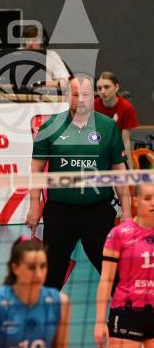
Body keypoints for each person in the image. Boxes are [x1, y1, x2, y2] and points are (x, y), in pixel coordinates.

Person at [26, 74, 132, 290]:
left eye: (85, 95)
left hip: (98, 212)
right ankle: (47, 309)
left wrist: (127, 212)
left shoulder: (108, 127)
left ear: (92, 96)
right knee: (51, 275)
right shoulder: (50, 127)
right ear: (67, 96)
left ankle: (125, 310)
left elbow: (119, 173)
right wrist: (34, 205)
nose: (81, 100)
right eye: (75, 95)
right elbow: (36, 171)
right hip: (60, 213)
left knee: (114, 273)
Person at [0, 238, 71, 347]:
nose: (39, 274)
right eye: (31, 267)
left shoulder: (60, 303)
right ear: (15, 268)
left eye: (43, 266)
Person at [94, 183, 154, 347]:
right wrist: (100, 321)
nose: (153, 203)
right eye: (147, 198)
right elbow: (106, 280)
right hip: (126, 313)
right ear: (135, 201)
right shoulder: (119, 234)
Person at [95, 72, 139, 167]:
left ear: (116, 87)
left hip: (117, 154)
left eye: (107, 87)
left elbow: (125, 142)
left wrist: (130, 170)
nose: (103, 91)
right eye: (99, 88)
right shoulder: (92, 106)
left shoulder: (126, 108)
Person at [22, 25, 71, 89]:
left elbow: (65, 82)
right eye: (28, 40)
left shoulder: (51, 56)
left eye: (34, 40)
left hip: (45, 93)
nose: (30, 43)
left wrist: (40, 84)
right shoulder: (19, 55)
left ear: (43, 39)